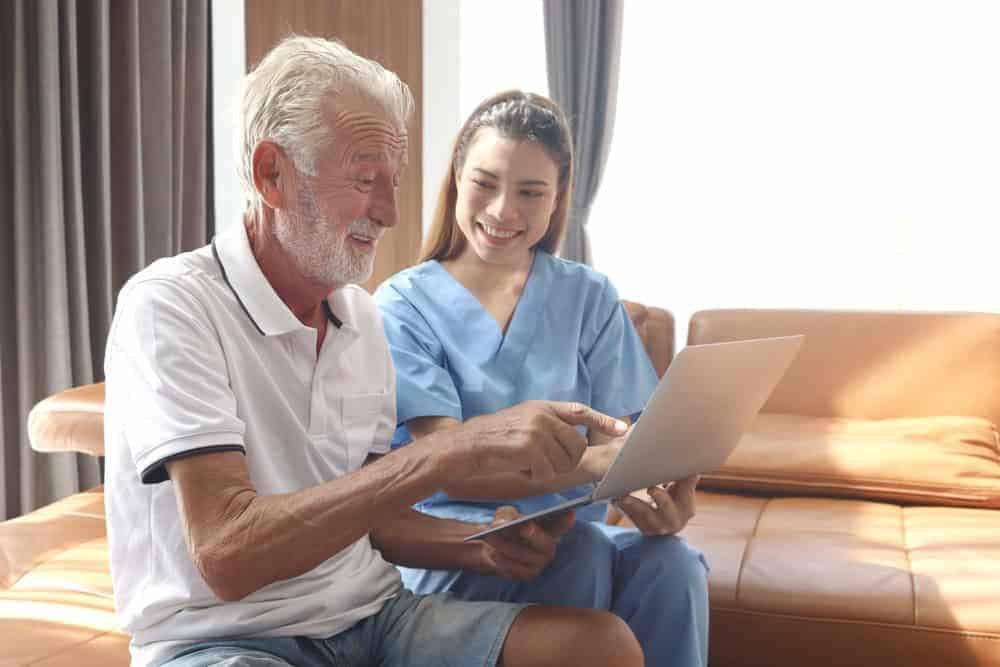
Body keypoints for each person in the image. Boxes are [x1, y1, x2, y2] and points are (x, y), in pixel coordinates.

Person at [102, 37, 646, 667]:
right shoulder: (171, 305)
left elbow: (372, 522)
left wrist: (478, 547)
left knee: (599, 648)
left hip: (374, 616)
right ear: (271, 174)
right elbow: (227, 552)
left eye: (394, 182)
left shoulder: (358, 315)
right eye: (365, 181)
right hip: (226, 639)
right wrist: (452, 450)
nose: (388, 212)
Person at [373, 90, 710, 666]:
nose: (504, 210)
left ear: (558, 201)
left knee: (672, 564)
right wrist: (596, 467)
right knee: (578, 551)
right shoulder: (402, 305)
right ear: (456, 178)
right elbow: (445, 461)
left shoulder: (588, 296)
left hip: (576, 534)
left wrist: (661, 493)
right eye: (485, 183)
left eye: (531, 192)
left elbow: (622, 442)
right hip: (458, 546)